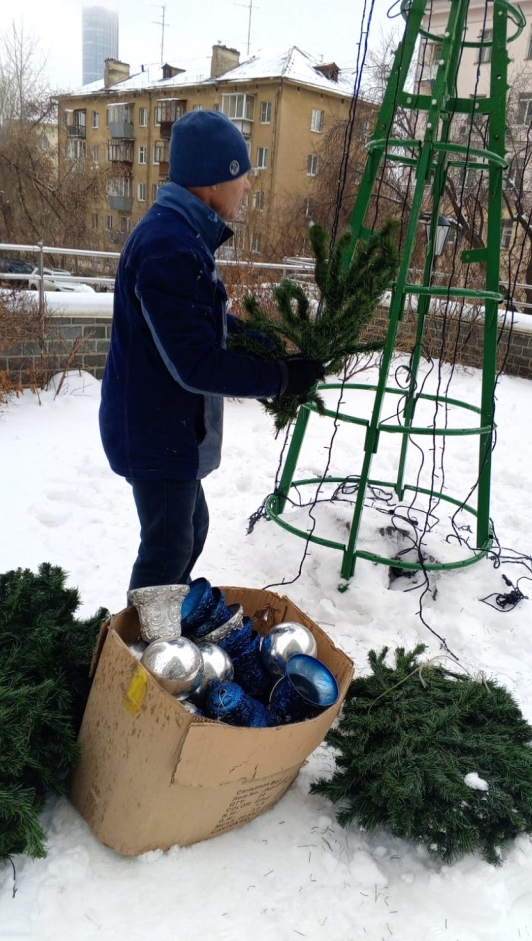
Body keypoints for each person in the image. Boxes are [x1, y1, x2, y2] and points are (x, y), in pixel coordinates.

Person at [99, 109, 324, 593]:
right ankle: (143, 655)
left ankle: (165, 632)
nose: (247, 187)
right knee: (168, 551)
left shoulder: (181, 235)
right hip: (154, 433)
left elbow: (204, 325)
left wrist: (268, 352)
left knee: (190, 531)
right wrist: (279, 381)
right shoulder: (169, 248)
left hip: (164, 428)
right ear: (213, 181)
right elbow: (195, 363)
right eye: (242, 175)